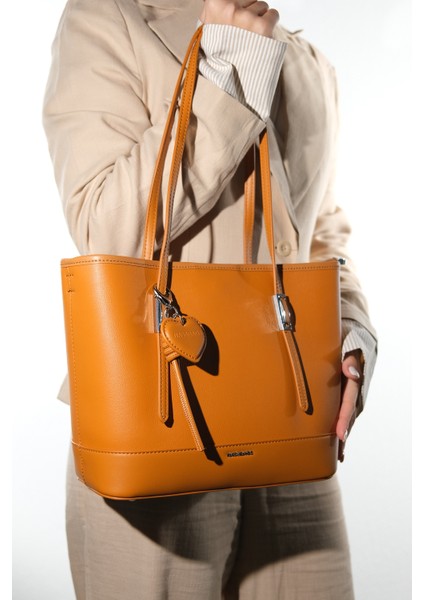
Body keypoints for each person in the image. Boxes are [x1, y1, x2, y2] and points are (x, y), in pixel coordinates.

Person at [43, 0, 377, 598]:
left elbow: (322, 234)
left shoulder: (309, 61)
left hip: (294, 426)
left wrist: (352, 329)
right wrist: (228, 67)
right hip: (159, 417)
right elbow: (105, 231)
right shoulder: (108, 18)